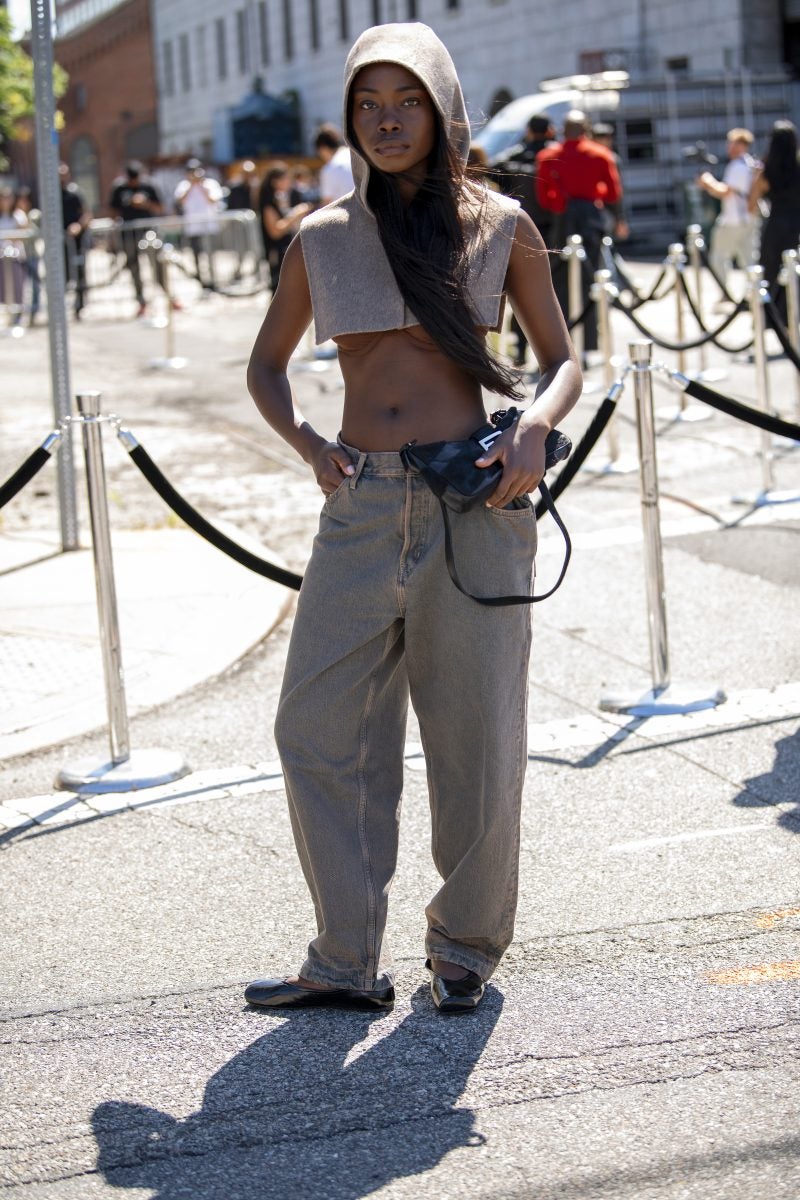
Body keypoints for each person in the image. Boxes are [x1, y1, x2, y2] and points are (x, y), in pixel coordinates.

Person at [245, 22, 581, 1015]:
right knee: (312, 727)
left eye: (405, 102)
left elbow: (560, 357)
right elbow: (264, 365)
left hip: (471, 505)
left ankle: (464, 949)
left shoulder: (501, 223)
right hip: (359, 509)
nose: (385, 121)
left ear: (441, 111)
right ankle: (344, 959)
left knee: (472, 737)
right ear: (347, 116)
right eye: (366, 103)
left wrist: (533, 433)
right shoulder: (318, 236)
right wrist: (310, 446)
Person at [536, 110, 623, 355]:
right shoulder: (600, 154)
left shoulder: (550, 155)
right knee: (592, 278)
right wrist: (594, 198)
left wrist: (560, 204)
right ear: (586, 130)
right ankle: (590, 343)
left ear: (563, 130)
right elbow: (613, 193)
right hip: (590, 216)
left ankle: (563, 341)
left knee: (560, 280)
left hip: (564, 217)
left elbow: (544, 195)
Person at [491, 113, 558, 366]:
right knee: (553, 293)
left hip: (520, 231)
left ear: (529, 131)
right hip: (552, 231)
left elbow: (495, 169)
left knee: (521, 293)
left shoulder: (514, 158)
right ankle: (555, 352)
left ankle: (521, 348)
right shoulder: (554, 155)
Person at [749, 120, 800, 327]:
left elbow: (751, 204)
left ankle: (770, 318)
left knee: (769, 272)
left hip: (775, 226)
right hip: (797, 226)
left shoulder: (765, 169)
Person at [696, 128, 758, 291]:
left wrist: (707, 181)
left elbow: (725, 191)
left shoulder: (737, 166)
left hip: (734, 219)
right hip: (749, 218)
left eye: (732, 143)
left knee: (718, 257)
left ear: (741, 145)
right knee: (748, 258)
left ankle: (725, 291)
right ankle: (752, 291)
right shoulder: (749, 163)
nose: (729, 146)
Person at [108, 160, 171, 317]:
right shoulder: (119, 188)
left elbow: (161, 208)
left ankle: (169, 297)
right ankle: (141, 301)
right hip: (129, 234)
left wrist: (146, 204)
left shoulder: (149, 186)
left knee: (158, 264)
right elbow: (112, 212)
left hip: (149, 232)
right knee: (134, 268)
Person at [257, 163, 310, 293]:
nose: (289, 183)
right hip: (277, 254)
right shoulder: (268, 203)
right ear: (275, 182)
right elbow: (275, 231)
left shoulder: (279, 198)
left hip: (284, 252)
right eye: (286, 179)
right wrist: (295, 214)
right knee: (280, 293)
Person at [174, 158, 223, 292]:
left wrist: (201, 186)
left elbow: (214, 200)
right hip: (193, 226)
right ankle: (201, 281)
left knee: (211, 255)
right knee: (196, 255)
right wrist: (191, 185)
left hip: (209, 225)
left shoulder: (210, 184)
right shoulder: (184, 185)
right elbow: (180, 202)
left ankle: (214, 280)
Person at [59, 163, 91, 319]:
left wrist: (78, 226)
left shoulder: (75, 193)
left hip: (77, 242)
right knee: (62, 274)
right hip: (60, 243)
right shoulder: (52, 195)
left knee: (80, 273)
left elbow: (86, 214)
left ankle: (80, 306)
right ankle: (61, 307)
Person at [13, 186, 41, 325]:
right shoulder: (16, 215)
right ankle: (19, 314)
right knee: (20, 286)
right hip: (18, 256)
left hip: (31, 254)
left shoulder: (33, 215)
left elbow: (36, 232)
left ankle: (34, 312)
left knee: (35, 285)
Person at [0, 186, 26, 326]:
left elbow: (23, 233)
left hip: (15, 257)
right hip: (1, 258)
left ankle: (18, 316)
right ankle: (7, 316)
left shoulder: (18, 215)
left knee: (17, 287)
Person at [314, 123, 355, 203]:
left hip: (347, 213)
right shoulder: (355, 155)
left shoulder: (330, 168)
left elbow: (326, 203)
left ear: (323, 148)